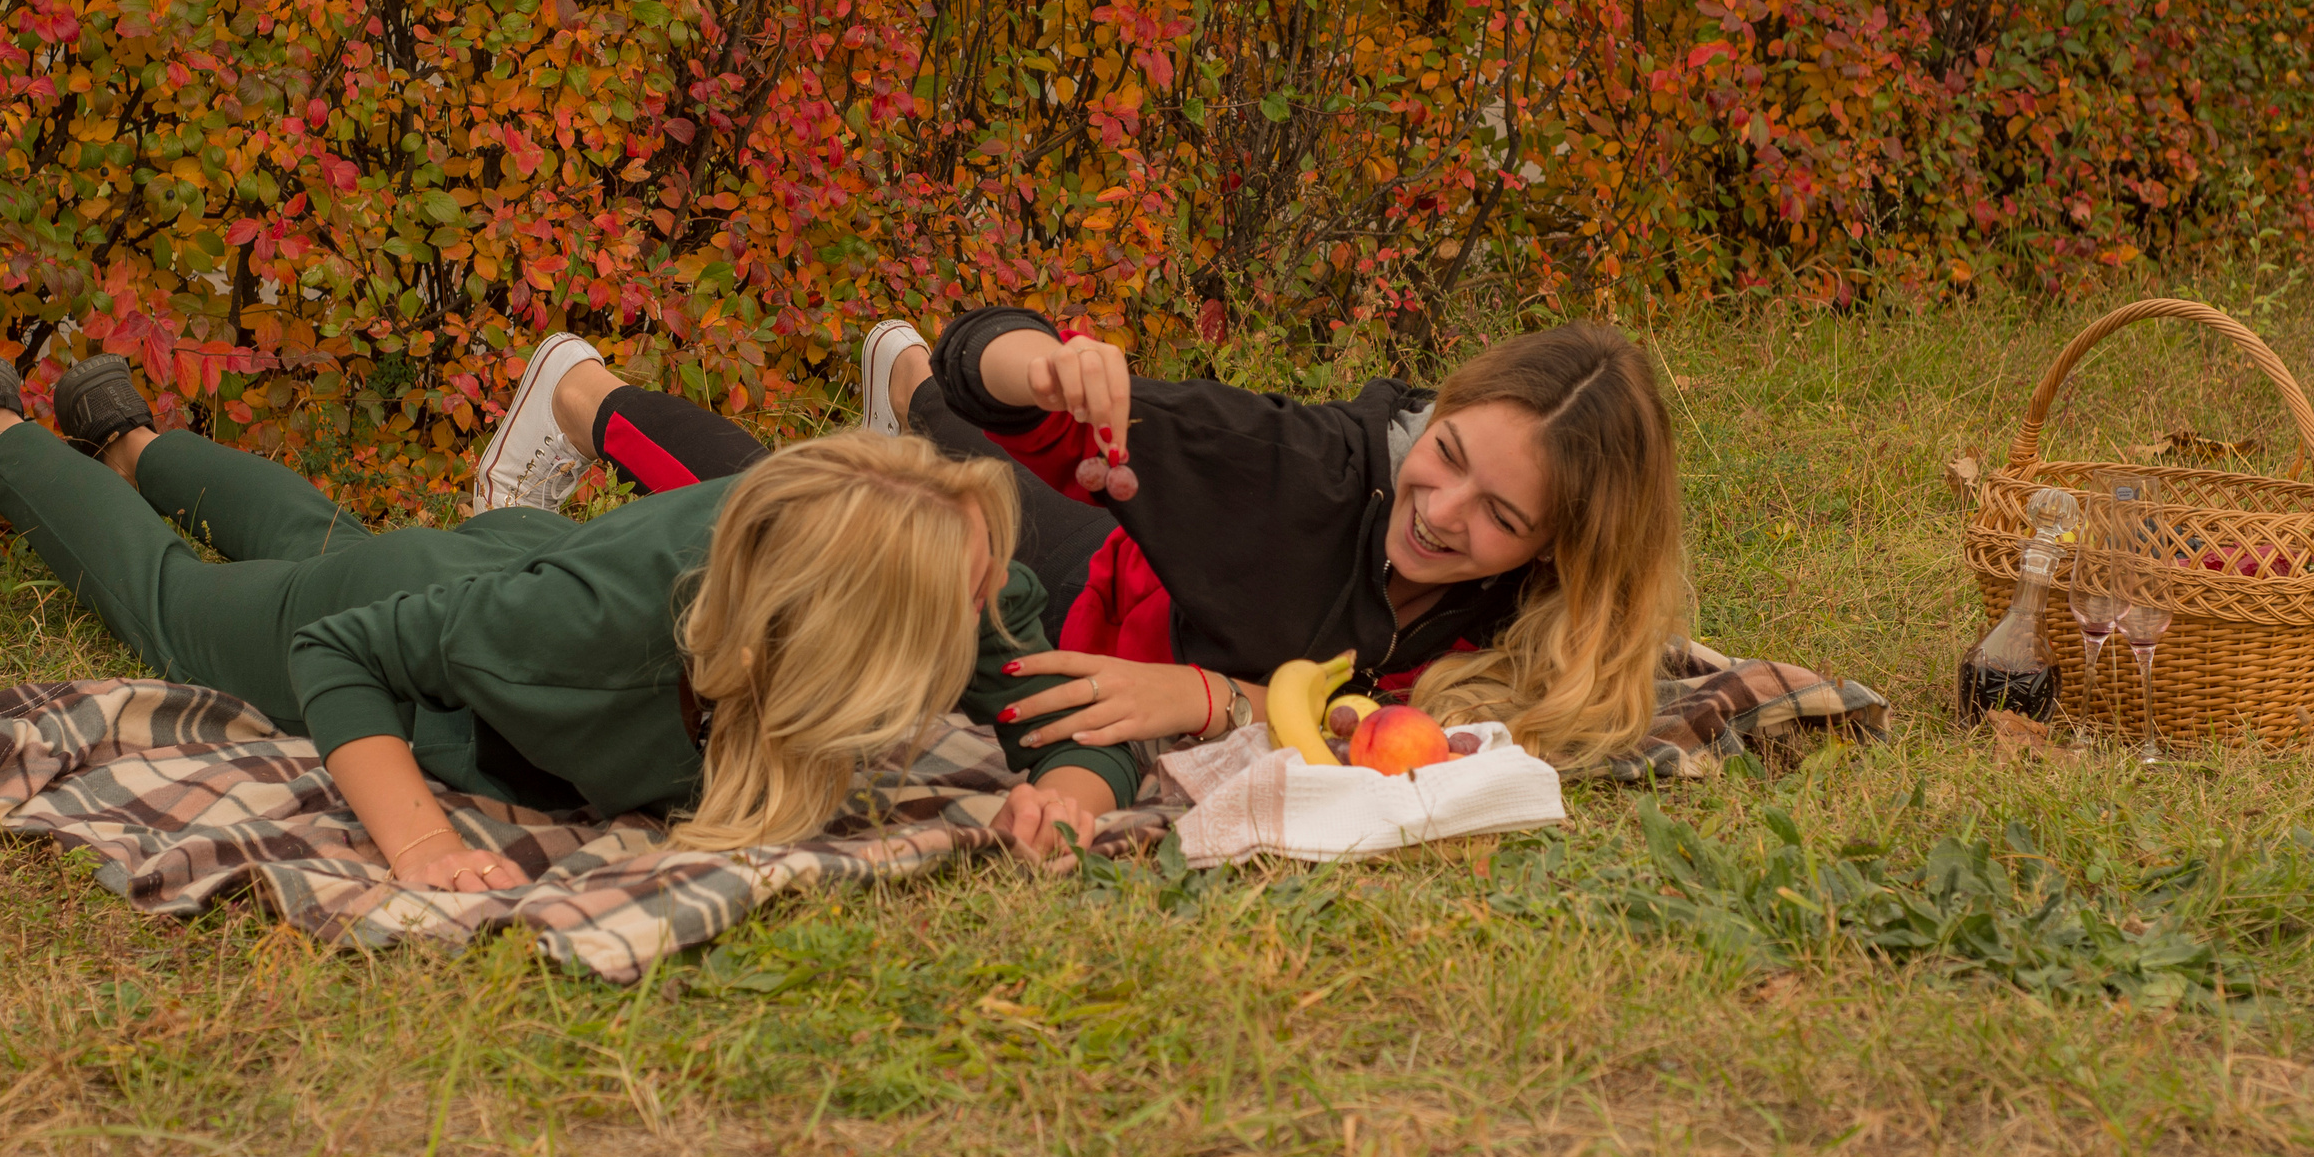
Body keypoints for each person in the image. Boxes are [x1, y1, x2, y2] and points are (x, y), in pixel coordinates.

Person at [0, 349, 1134, 886]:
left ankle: (130, 433)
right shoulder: (583, 632)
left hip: (509, 568)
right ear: (854, 629)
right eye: (973, 596)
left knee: (322, 533)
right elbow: (339, 653)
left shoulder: (940, 575)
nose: (995, 608)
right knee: (186, 606)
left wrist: (1067, 795)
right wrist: (416, 844)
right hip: (413, 612)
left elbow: (1066, 709)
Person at [478, 310, 1689, 838]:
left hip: (1144, 653)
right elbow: (1006, 367)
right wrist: (1031, 365)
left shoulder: (1555, 615)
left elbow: (1443, 723)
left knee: (929, 461)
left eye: (1499, 515)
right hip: (1088, 596)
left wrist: (1214, 702)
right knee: (816, 522)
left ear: (1560, 546)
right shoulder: (1287, 468)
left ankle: (899, 400)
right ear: (1442, 406)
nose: (1441, 510)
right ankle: (579, 392)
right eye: (1447, 455)